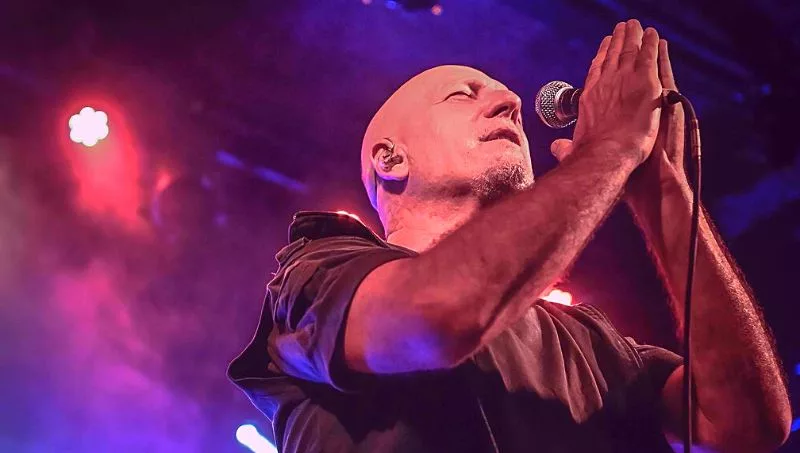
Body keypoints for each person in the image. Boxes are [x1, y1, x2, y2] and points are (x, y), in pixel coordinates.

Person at [228, 20, 791, 452]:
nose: (512, 104)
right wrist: (612, 148)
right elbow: (436, 318)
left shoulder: (594, 343)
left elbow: (745, 426)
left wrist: (664, 194)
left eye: (502, 97)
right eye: (463, 94)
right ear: (390, 159)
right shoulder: (318, 273)